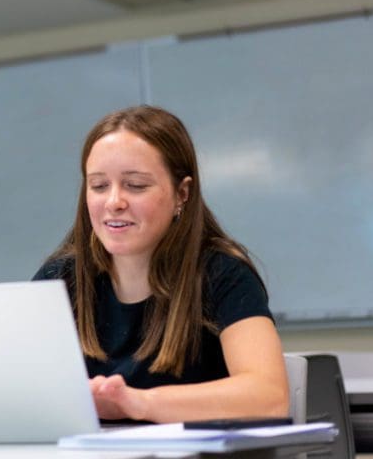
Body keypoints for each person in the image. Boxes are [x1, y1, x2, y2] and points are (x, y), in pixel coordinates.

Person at [34, 105, 288, 423]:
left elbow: (269, 396)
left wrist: (137, 403)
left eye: (136, 185)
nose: (114, 202)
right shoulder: (59, 280)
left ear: (182, 193)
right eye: (99, 186)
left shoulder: (222, 274)